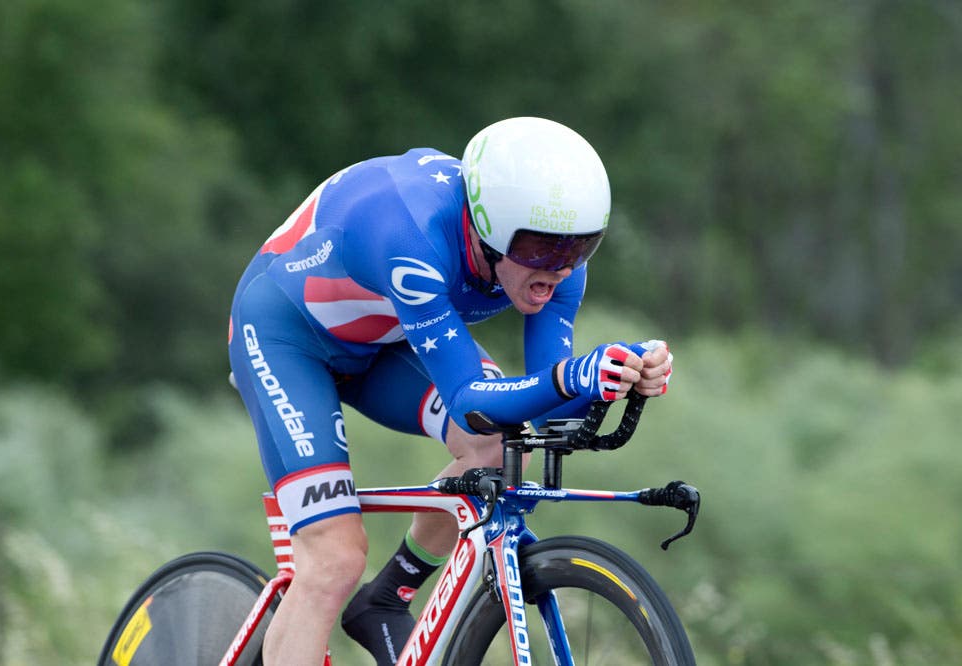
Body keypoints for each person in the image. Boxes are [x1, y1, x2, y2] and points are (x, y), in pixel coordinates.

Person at [227, 116, 673, 665]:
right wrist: (572, 376)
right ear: (486, 228)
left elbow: (547, 403)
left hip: (384, 337)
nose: (556, 269)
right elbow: (469, 401)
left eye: (579, 248)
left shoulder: (555, 264)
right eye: (537, 249)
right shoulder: (411, 235)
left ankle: (391, 594)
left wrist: (616, 377)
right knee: (333, 561)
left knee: (498, 447)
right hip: (285, 334)